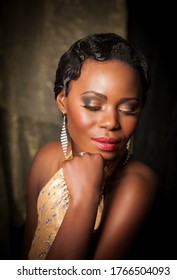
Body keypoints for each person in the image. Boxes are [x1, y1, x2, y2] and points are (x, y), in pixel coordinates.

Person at [22, 32, 157, 260]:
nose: (112, 122)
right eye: (94, 105)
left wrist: (85, 197)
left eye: (128, 109)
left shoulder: (137, 185)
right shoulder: (47, 157)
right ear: (62, 101)